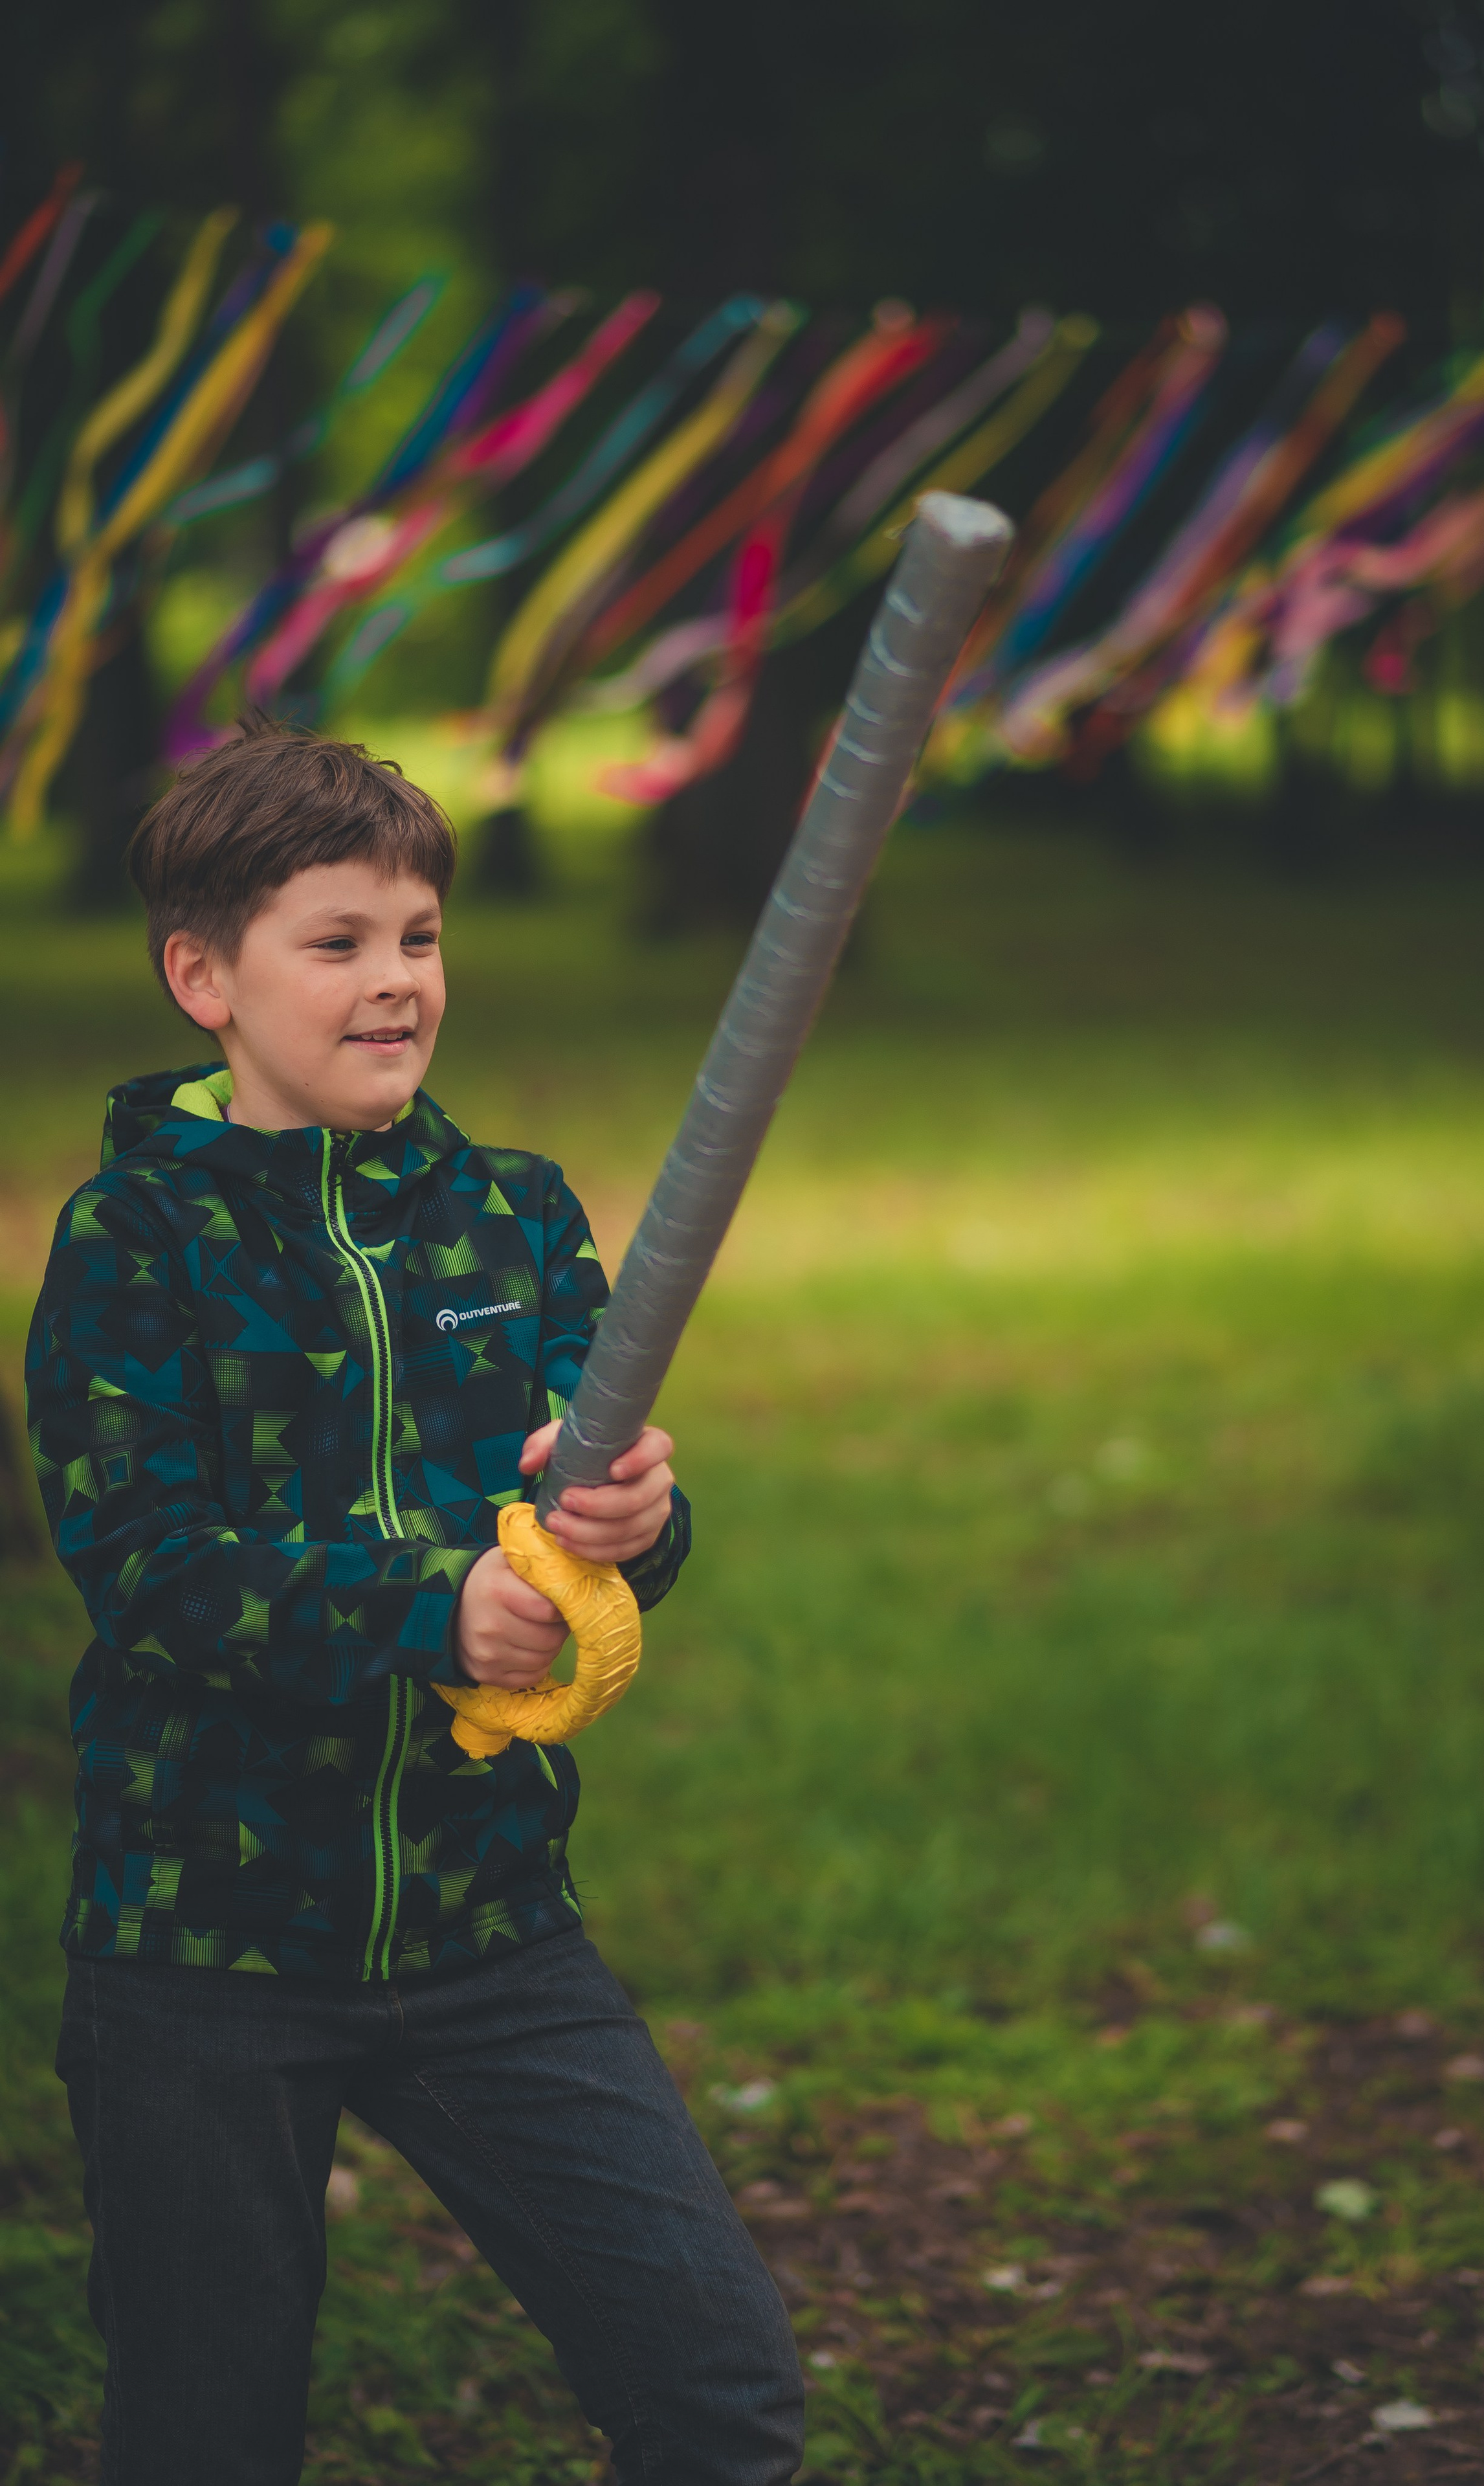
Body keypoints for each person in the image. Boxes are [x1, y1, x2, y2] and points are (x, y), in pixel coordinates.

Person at [25, 715, 804, 2486]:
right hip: (203, 1950)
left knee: (719, 2392)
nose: (396, 979)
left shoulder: (514, 1217)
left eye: (420, 936)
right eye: (340, 941)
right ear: (204, 980)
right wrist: (430, 1612)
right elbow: (150, 1572)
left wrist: (633, 1522)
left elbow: (599, 1519)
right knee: (205, 2440)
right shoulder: (137, 1242)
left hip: (487, 1922)